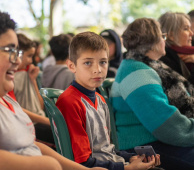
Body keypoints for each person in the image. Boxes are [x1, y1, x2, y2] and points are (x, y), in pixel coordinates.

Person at [0, 8, 107, 170]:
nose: (18, 60)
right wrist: (49, 165)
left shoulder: (3, 94)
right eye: (10, 51)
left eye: (17, 51)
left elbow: (31, 146)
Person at [56, 31, 161, 170]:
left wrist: (130, 157)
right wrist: (127, 168)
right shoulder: (70, 102)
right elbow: (82, 163)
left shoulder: (100, 99)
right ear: (71, 66)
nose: (97, 69)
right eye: (88, 63)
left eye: (103, 62)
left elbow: (106, 150)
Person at [110, 17, 194, 170]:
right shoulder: (137, 73)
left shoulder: (138, 66)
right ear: (153, 42)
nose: (164, 41)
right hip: (143, 147)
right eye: (163, 36)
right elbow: (165, 125)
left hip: (154, 141)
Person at [12, 33, 54, 145]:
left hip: (38, 121)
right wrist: (47, 121)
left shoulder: (27, 73)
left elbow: (39, 106)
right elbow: (14, 108)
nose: (31, 61)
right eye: (29, 56)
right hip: (29, 125)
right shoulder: (12, 77)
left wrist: (33, 80)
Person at [159, 12, 194, 84]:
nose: (192, 33)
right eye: (186, 29)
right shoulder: (165, 59)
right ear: (171, 35)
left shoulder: (188, 53)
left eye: (190, 29)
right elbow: (185, 90)